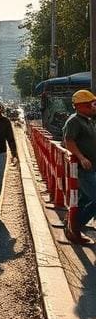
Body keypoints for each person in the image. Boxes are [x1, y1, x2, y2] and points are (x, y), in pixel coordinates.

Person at [62, 89, 96, 244]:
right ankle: (75, 227)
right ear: (81, 105)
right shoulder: (74, 121)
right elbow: (69, 141)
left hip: (91, 168)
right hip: (84, 170)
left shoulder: (88, 121)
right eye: (91, 104)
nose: (94, 107)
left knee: (83, 200)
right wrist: (81, 158)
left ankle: (72, 226)